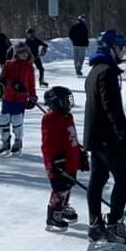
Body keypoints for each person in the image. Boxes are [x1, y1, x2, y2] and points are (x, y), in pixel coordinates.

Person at [83, 29, 126, 251]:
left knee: (98, 179)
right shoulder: (106, 72)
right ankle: (115, 226)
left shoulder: (95, 70)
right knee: (124, 177)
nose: (122, 52)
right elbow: (111, 106)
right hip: (106, 137)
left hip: (95, 136)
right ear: (109, 48)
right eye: (120, 48)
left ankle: (95, 226)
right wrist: (123, 132)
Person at [41, 86, 88, 232]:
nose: (69, 103)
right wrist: (54, 161)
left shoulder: (67, 116)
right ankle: (53, 214)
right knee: (60, 189)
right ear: (56, 102)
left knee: (68, 186)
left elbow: (71, 137)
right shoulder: (50, 118)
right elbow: (48, 143)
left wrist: (80, 153)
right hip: (58, 163)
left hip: (70, 161)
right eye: (66, 100)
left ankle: (63, 206)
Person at [0, 41, 37, 156]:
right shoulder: (8, 64)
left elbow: (31, 84)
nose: (24, 55)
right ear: (16, 54)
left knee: (17, 119)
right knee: (4, 119)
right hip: (7, 97)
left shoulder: (29, 67)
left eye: (26, 53)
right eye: (21, 53)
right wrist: (12, 84)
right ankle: (5, 141)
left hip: (21, 99)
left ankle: (18, 141)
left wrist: (32, 96)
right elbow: (1, 79)